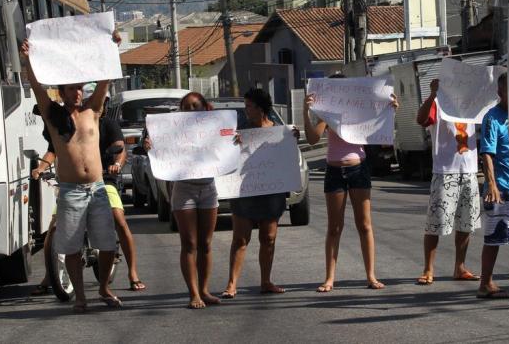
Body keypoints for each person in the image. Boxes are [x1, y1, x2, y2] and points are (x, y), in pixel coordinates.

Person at [20, 32, 121, 313]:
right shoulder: (53, 117)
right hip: (71, 191)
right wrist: (27, 59)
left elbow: (105, 80)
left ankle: (103, 287)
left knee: (109, 244)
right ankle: (80, 295)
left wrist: (111, 48)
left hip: (98, 188)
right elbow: (37, 87)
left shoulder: (94, 111)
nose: (78, 92)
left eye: (80, 88)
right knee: (73, 248)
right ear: (61, 93)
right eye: (72, 89)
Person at [30, 90, 146, 296]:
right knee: (53, 226)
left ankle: (133, 272)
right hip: (70, 185)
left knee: (119, 219)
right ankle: (50, 274)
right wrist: (40, 168)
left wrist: (116, 165)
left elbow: (120, 149)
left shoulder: (108, 125)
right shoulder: (67, 124)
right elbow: (53, 150)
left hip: (103, 181)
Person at [303, 74, 398, 292]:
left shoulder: (360, 110)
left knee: (364, 224)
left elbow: (378, 128)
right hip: (334, 170)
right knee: (334, 227)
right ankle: (329, 279)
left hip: (358, 169)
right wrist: (305, 111)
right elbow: (312, 139)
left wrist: (391, 109)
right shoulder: (328, 114)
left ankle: (371, 276)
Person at [144, 92, 220, 309]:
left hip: (208, 188)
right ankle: (193, 293)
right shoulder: (173, 131)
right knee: (189, 244)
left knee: (206, 244)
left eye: (195, 105)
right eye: (186, 107)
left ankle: (205, 290)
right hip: (184, 189)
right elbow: (161, 151)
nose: (191, 110)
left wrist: (234, 140)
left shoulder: (215, 127)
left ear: (204, 107)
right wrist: (152, 146)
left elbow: (227, 147)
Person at [222, 88, 297, 298]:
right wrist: (231, 143)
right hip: (244, 192)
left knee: (269, 237)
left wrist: (292, 138)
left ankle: (266, 281)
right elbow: (225, 154)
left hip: (271, 193)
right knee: (240, 239)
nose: (245, 110)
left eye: (248, 106)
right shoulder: (241, 131)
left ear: (260, 107)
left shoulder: (279, 131)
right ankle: (231, 284)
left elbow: (287, 159)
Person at [414, 78, 481, 286]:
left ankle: (460, 267)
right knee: (435, 223)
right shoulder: (438, 101)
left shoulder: (472, 102)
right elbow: (421, 119)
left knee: (466, 223)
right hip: (445, 171)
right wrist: (433, 94)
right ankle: (428, 269)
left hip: (469, 170)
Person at [477, 72, 509, 299]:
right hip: (501, 188)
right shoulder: (492, 118)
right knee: (494, 237)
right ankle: (485, 283)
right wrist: (491, 185)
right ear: (499, 93)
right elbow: (487, 155)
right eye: (507, 91)